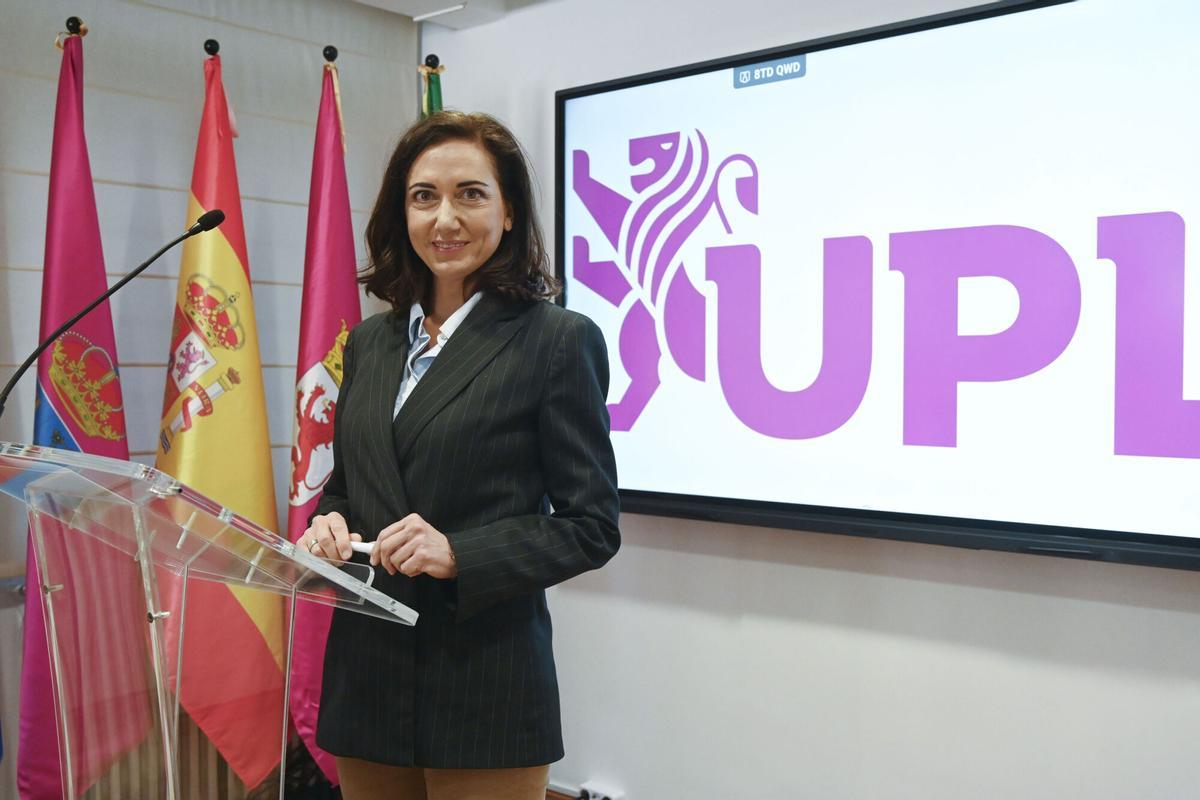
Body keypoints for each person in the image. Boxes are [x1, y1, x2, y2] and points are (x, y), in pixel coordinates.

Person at [299, 110, 620, 800]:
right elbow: (352, 486)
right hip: (367, 682)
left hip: (484, 685)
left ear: (508, 215)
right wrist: (328, 522)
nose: (445, 218)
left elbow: (591, 526)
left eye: (470, 194)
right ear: (401, 213)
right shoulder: (371, 342)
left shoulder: (557, 341)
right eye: (424, 197)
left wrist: (460, 554)